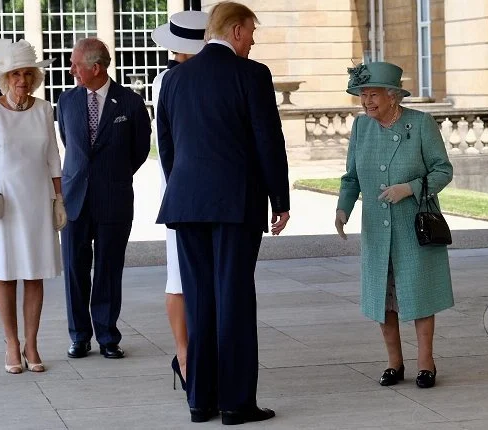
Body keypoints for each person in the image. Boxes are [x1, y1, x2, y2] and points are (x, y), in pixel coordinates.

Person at [156, 1, 290, 425]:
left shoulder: (175, 79)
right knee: (233, 299)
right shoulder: (252, 74)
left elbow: (167, 145)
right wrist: (280, 200)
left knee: (198, 301)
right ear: (234, 31)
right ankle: (235, 404)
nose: (253, 40)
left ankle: (200, 401)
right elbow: (268, 140)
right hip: (235, 205)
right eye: (251, 31)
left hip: (186, 203)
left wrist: (185, 188)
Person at [335, 61, 454, 389]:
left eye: (372, 94)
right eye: (362, 95)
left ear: (393, 97)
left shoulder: (421, 124)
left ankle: (426, 363)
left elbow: (443, 170)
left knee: (419, 294)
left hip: (414, 227)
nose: (366, 102)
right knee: (383, 299)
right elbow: (352, 176)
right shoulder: (361, 128)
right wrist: (343, 209)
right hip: (377, 229)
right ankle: (394, 363)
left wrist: (411, 188)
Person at [0, 38, 64, 374]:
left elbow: (53, 157)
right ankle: (11, 343)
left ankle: (32, 344)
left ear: (34, 77)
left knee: (34, 275)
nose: (21, 79)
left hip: (36, 201)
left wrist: (59, 199)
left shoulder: (45, 109)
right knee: (5, 276)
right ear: (4, 78)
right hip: (2, 204)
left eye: (27, 73)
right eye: (14, 74)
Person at [57, 38, 151, 360]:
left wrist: (114, 176)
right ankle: (79, 336)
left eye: (76, 65)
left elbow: (139, 151)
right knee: (74, 269)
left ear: (96, 68)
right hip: (74, 200)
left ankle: (108, 336)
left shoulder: (130, 103)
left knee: (109, 269)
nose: (71, 70)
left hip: (115, 199)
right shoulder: (66, 101)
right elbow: (70, 143)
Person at [151, 9, 209, 392]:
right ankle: (185, 355)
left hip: (189, 186)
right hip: (180, 186)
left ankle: (195, 352)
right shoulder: (166, 80)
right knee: (178, 274)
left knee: (194, 275)